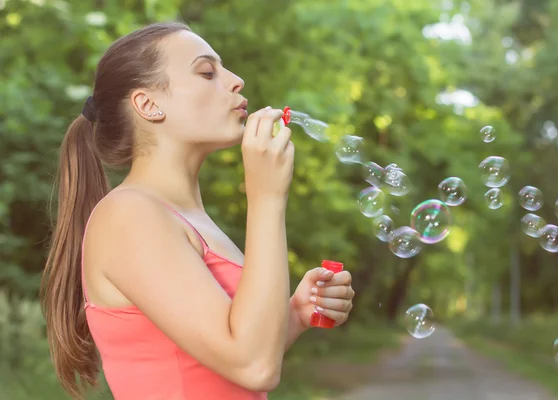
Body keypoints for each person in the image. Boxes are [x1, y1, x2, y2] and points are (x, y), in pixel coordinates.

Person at [39, 21, 355, 400]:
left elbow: (230, 353)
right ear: (148, 104)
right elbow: (255, 367)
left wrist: (295, 315)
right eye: (208, 72)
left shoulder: (191, 222)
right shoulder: (129, 216)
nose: (236, 80)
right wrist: (267, 198)